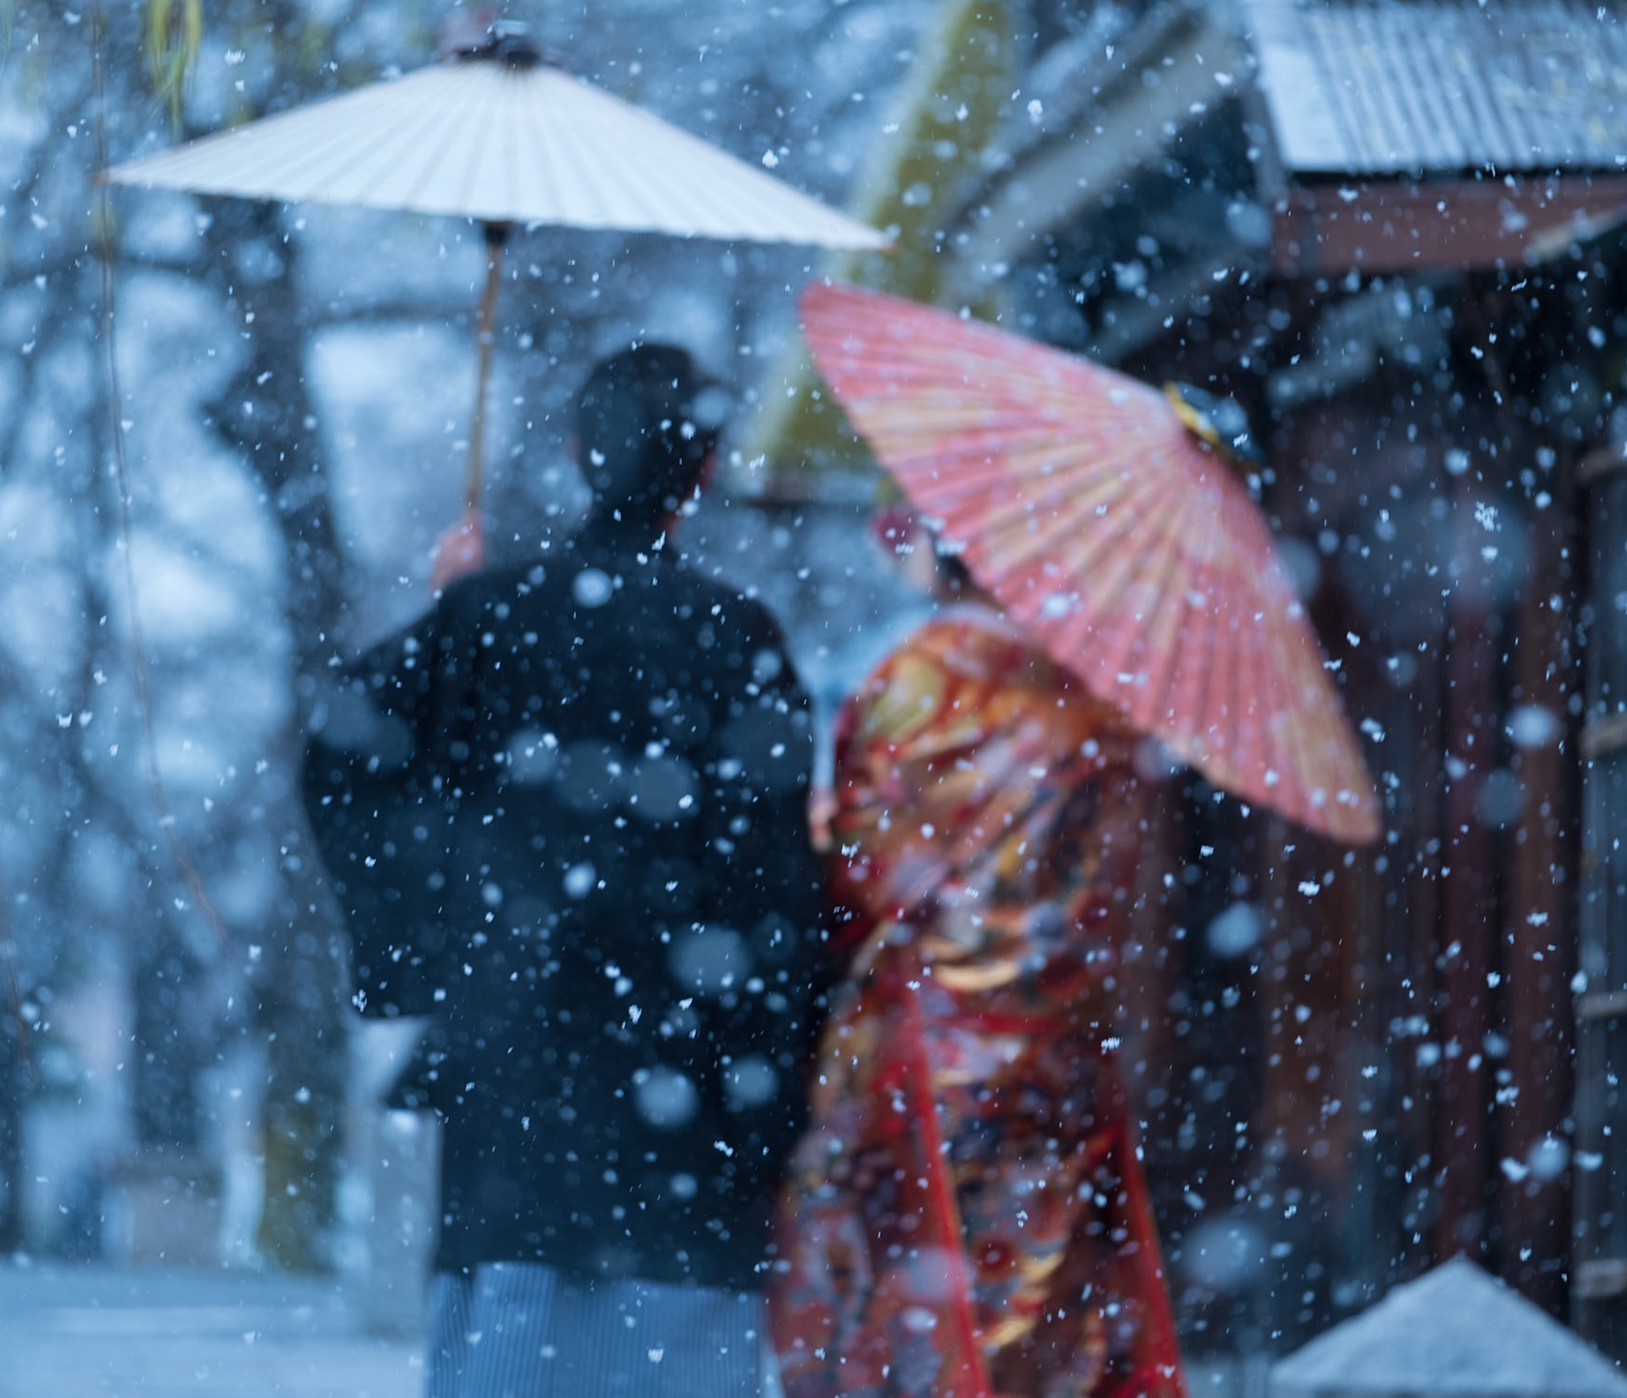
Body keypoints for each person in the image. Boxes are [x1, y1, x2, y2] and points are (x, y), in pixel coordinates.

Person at [304, 343, 828, 1398]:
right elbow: (779, 885)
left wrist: (426, 957)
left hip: (520, 1082)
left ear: (585, 451)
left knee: (507, 1347)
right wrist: (787, 1073)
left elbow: (344, 753)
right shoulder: (738, 637)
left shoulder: (487, 618)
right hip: (692, 1097)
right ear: (705, 467)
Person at [770, 516, 1187, 1398]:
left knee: (905, 1315)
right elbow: (1123, 887)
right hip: (1055, 1054)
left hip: (921, 1048)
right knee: (1041, 1313)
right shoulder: (1102, 698)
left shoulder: (912, 679)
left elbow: (856, 874)